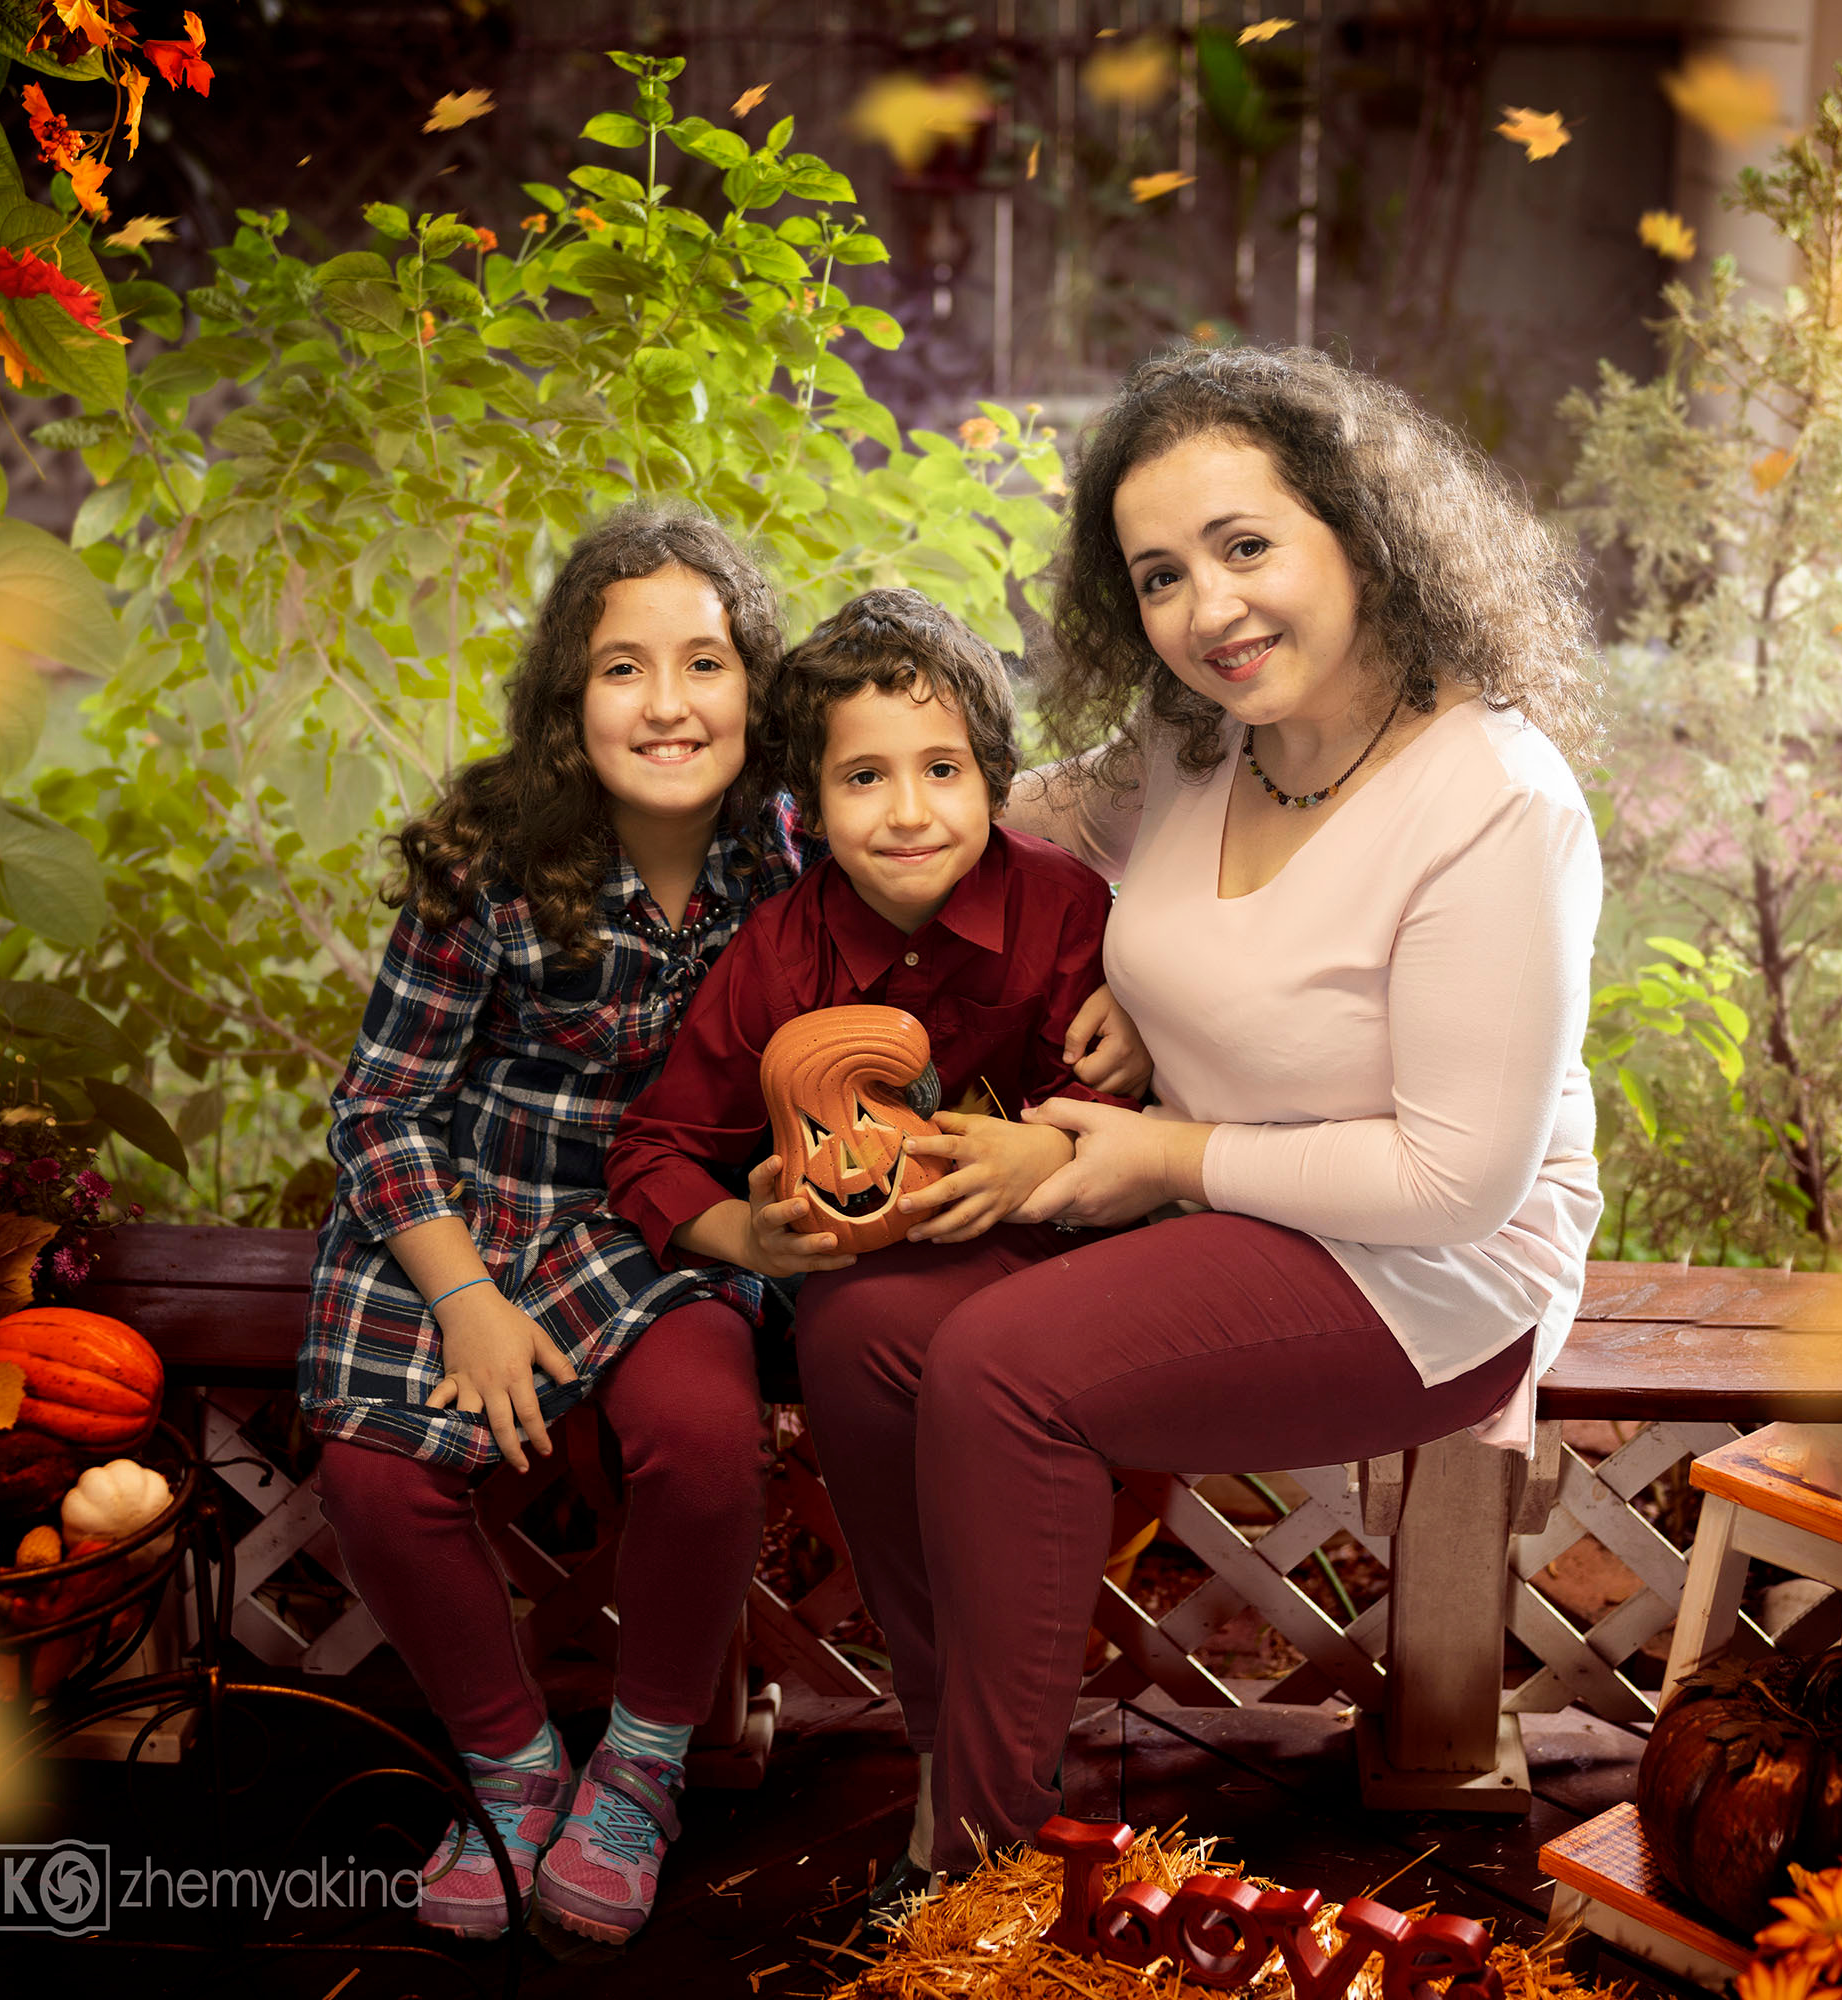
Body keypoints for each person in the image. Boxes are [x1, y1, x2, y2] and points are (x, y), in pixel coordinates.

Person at [789, 343, 1605, 1895]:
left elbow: (1456, 1180)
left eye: (1245, 546)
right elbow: (1003, 822)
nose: (1207, 609)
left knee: (1003, 1368)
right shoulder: (1200, 740)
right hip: (1202, 1206)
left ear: (1359, 529)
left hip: (1426, 1273)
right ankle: (959, 1762)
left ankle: (981, 1871)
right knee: (861, 1331)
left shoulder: (1495, 801)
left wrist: (1166, 1150)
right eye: (1161, 575)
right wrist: (1057, 938)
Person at [300, 507, 819, 1946]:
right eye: (621, 668)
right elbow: (381, 1106)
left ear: (755, 688)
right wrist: (464, 1298)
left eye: (705, 662)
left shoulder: (789, 854)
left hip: (664, 1217)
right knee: (373, 1471)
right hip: (465, 1206)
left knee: (704, 1438)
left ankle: (641, 1771)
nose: (667, 704)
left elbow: (968, 823)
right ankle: (515, 1767)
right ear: (566, 699)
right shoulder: (492, 855)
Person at [607, 587, 1147, 1293]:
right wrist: (746, 1235)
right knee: (854, 1318)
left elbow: (1122, 1093)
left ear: (993, 784)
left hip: (1054, 1238)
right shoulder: (779, 957)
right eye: (864, 778)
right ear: (812, 809)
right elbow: (652, 1154)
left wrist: (1049, 1148)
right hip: (864, 1270)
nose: (909, 814)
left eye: (942, 770)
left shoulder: (1064, 908)